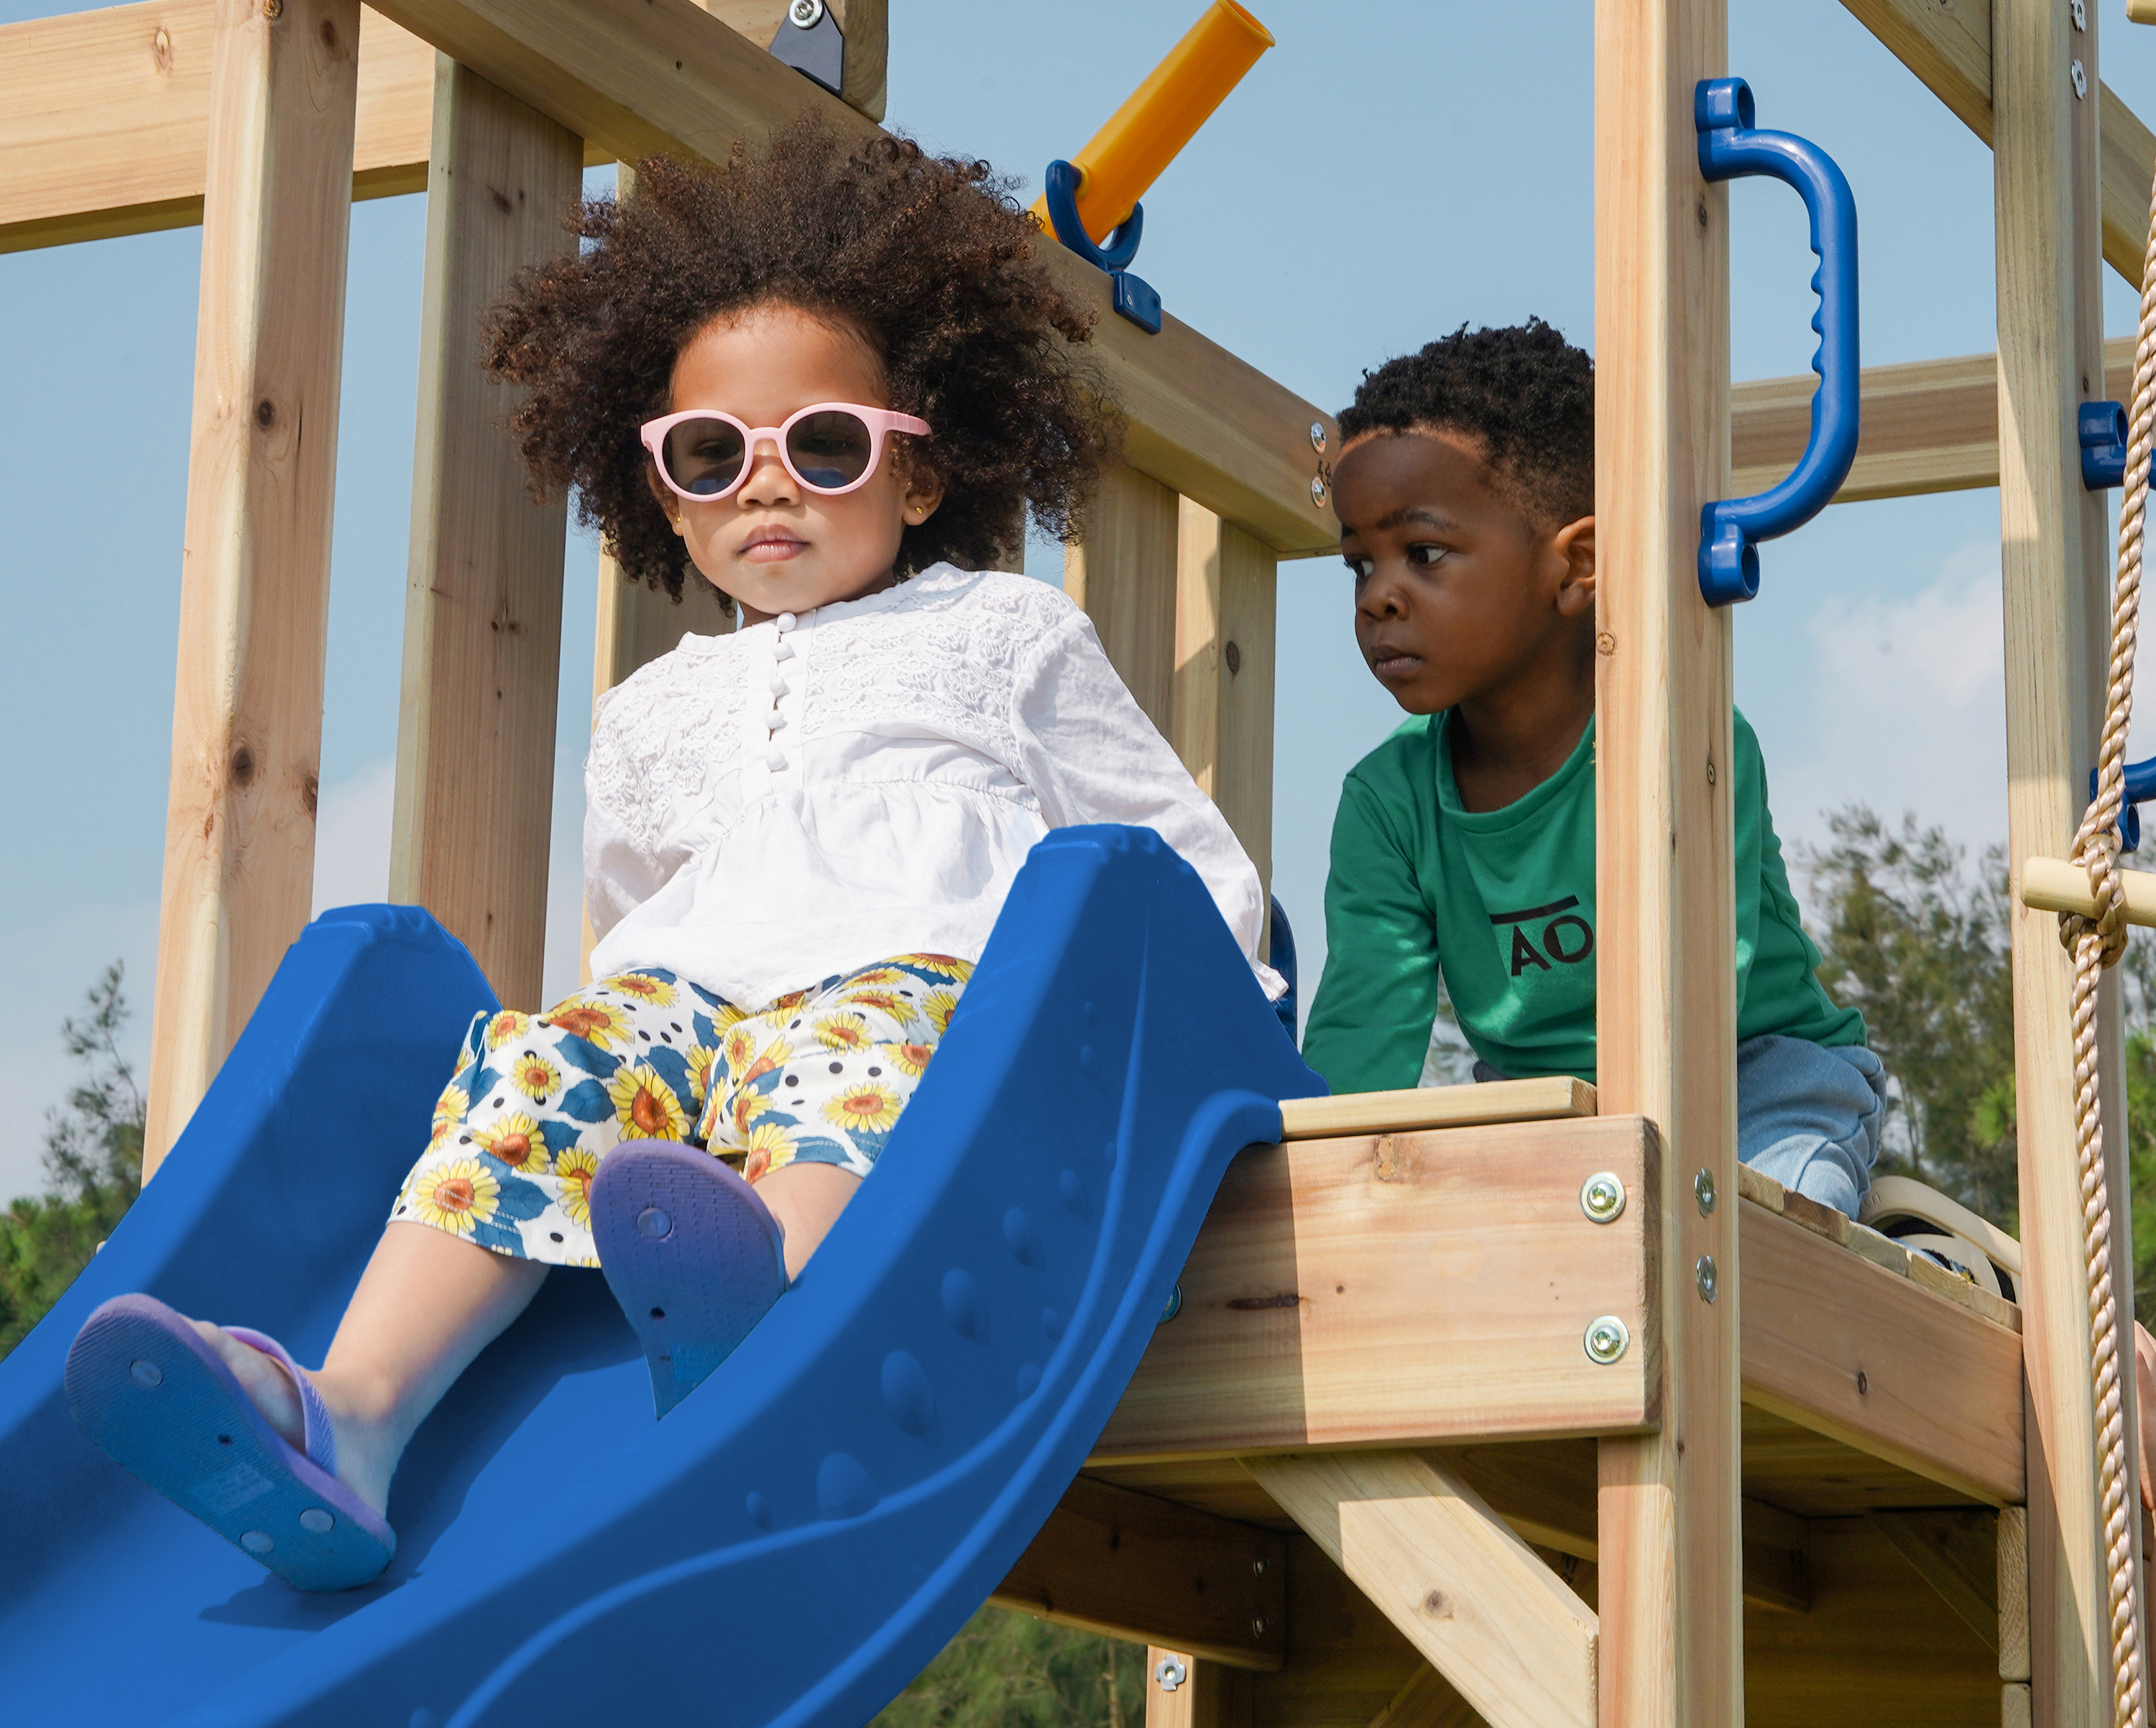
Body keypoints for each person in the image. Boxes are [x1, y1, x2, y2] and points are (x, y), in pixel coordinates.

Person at [65, 123, 1278, 1591]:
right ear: (661, 487)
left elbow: (1172, 852)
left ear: (918, 474)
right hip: (700, 1017)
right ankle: (354, 1412)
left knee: (852, 1044)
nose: (765, 486)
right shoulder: (648, 710)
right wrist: (629, 1053)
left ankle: (775, 1308)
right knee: (542, 1059)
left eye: (822, 447)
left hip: (912, 1000)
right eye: (712, 455)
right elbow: (631, 918)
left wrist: (1224, 1030)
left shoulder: (1000, 635)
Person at [1299, 320, 1885, 1211]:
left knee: (1768, 1230)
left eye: (1423, 554)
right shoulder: (1388, 802)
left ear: (1575, 566)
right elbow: (1361, 1032)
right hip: (1542, 1106)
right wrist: (1323, 1202)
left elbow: (1696, 990)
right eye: (1358, 563)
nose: (1380, 594)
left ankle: (1912, 1246)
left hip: (1749, 1080)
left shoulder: (1680, 737)